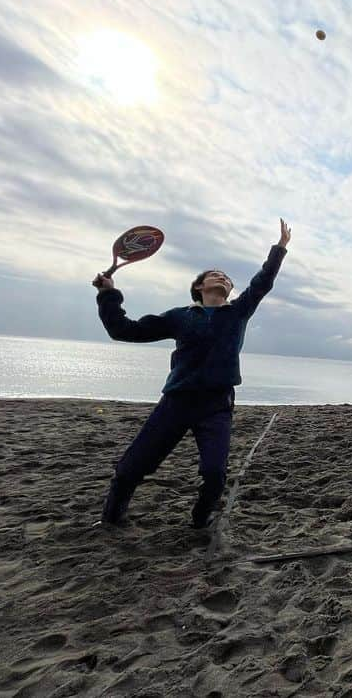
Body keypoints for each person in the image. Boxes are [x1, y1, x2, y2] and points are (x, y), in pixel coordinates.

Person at [91, 219, 291, 529]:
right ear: (199, 287)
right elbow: (123, 330)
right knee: (130, 469)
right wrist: (108, 295)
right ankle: (111, 520)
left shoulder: (238, 312)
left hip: (217, 404)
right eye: (214, 275)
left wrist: (279, 248)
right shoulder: (179, 317)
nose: (222, 277)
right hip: (177, 401)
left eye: (226, 277)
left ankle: (200, 521)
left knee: (214, 474)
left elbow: (262, 283)